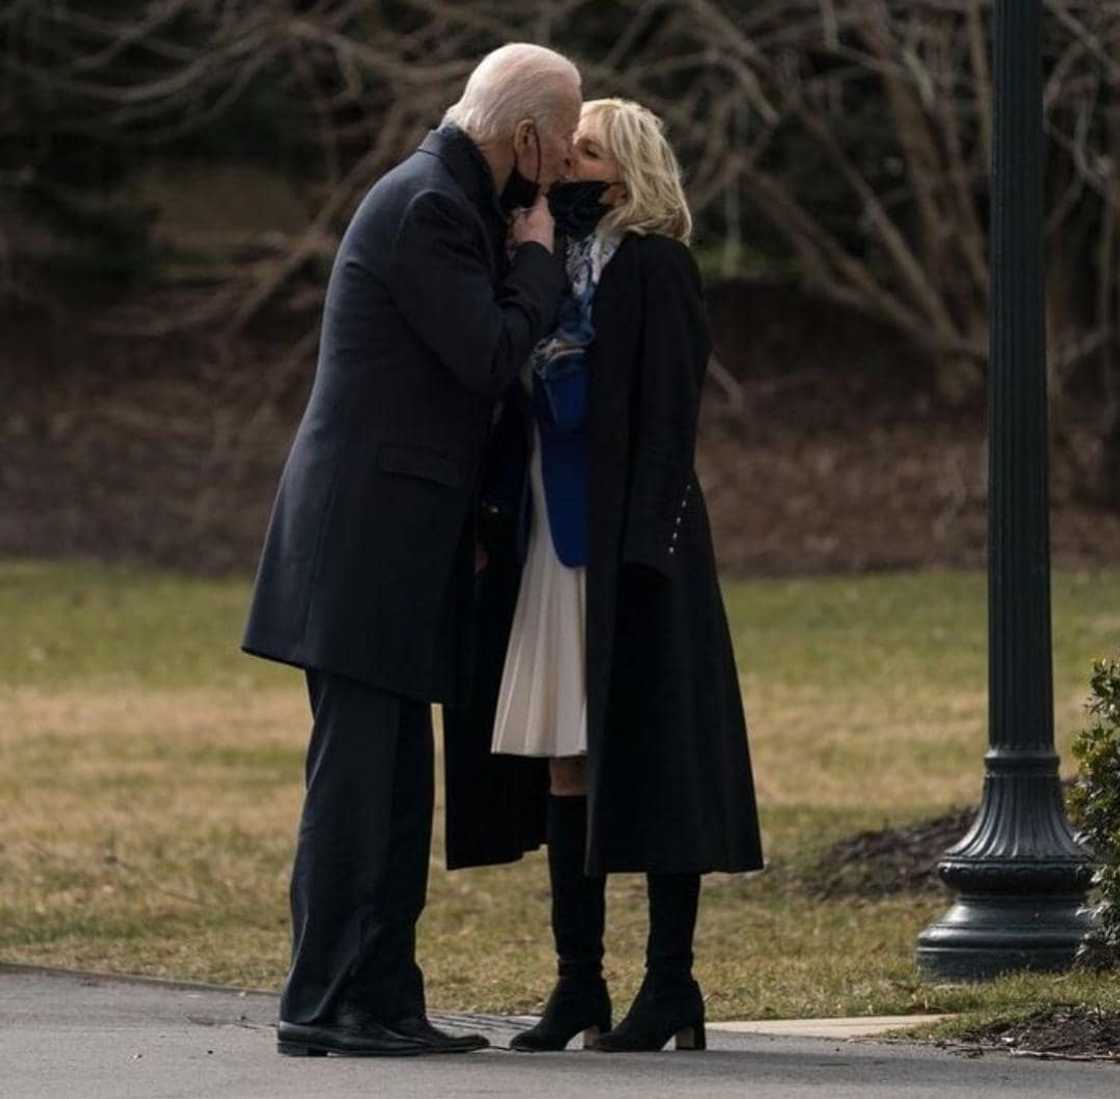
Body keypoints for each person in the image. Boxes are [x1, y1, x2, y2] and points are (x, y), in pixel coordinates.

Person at [241, 43, 582, 1058]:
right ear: (523, 137)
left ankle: (380, 998)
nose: (564, 168)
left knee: (395, 784)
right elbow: (485, 352)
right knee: (358, 783)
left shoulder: (445, 198)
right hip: (362, 540)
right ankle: (323, 1000)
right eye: (560, 144)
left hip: (392, 540)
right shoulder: (430, 205)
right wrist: (537, 256)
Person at [443, 99, 765, 1053]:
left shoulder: (656, 267)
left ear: (623, 172)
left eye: (583, 152)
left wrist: (648, 550)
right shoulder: (541, 266)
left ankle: (672, 986)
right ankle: (578, 983)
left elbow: (672, 416)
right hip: (554, 534)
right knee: (564, 755)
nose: (565, 166)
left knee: (657, 752)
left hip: (637, 551)